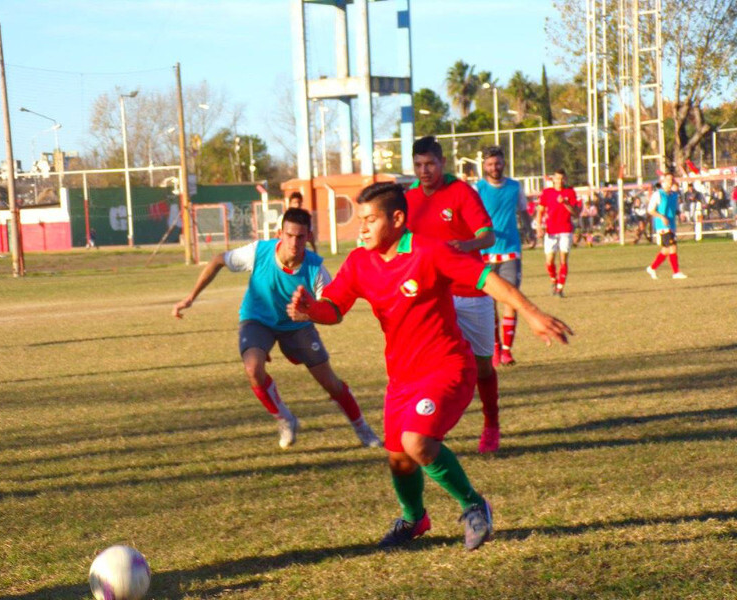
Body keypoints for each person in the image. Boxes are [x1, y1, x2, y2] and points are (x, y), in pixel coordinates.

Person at [287, 182, 572, 550]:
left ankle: (475, 506)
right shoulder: (360, 262)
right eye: (361, 221)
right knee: (399, 460)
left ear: (398, 219)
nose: (362, 229)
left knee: (417, 442)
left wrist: (531, 314)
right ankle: (414, 519)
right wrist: (311, 310)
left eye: (371, 220)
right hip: (402, 379)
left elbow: (487, 279)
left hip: (447, 368)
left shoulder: (428, 251)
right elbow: (335, 309)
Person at [172, 207, 381, 449]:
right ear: (280, 233)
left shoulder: (315, 269)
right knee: (253, 368)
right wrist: (190, 297)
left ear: (309, 237)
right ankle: (285, 419)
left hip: (297, 325)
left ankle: (362, 428)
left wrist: (309, 314)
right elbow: (219, 260)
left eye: (300, 237)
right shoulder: (259, 252)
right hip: (257, 319)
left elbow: (333, 311)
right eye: (289, 235)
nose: (294, 242)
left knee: (329, 381)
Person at [404, 136, 500, 454]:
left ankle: (491, 425)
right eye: (418, 165)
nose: (424, 170)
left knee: (482, 367)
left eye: (429, 163)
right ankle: (432, 427)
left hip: (470, 292)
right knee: (431, 366)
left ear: (442, 162)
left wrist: (466, 245)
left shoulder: (460, 193)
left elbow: (487, 235)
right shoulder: (409, 199)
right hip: (431, 297)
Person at [474, 145, 531, 368]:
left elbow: (523, 211)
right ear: (484, 166)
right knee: (489, 304)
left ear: (503, 163)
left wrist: (529, 229)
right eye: (490, 164)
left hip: (510, 250)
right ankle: (495, 349)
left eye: (497, 163)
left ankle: (507, 350)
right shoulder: (477, 189)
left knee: (511, 299)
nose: (494, 167)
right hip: (484, 252)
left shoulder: (515, 187)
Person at [536, 169, 581, 297]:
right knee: (549, 261)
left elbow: (575, 213)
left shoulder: (570, 192)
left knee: (563, 260)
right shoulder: (547, 193)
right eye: (557, 178)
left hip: (565, 230)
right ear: (553, 179)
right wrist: (539, 227)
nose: (559, 181)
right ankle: (553, 281)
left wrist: (565, 202)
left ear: (565, 179)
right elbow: (540, 211)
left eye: (562, 178)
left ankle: (560, 288)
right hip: (551, 230)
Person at [646, 172, 687, 280]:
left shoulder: (674, 195)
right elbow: (651, 210)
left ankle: (652, 268)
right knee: (673, 246)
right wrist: (661, 217)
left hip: (672, 225)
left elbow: (675, 209)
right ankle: (676, 272)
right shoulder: (658, 194)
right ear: (663, 181)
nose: (670, 182)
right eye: (668, 180)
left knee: (666, 250)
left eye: (672, 180)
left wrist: (680, 214)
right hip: (662, 226)